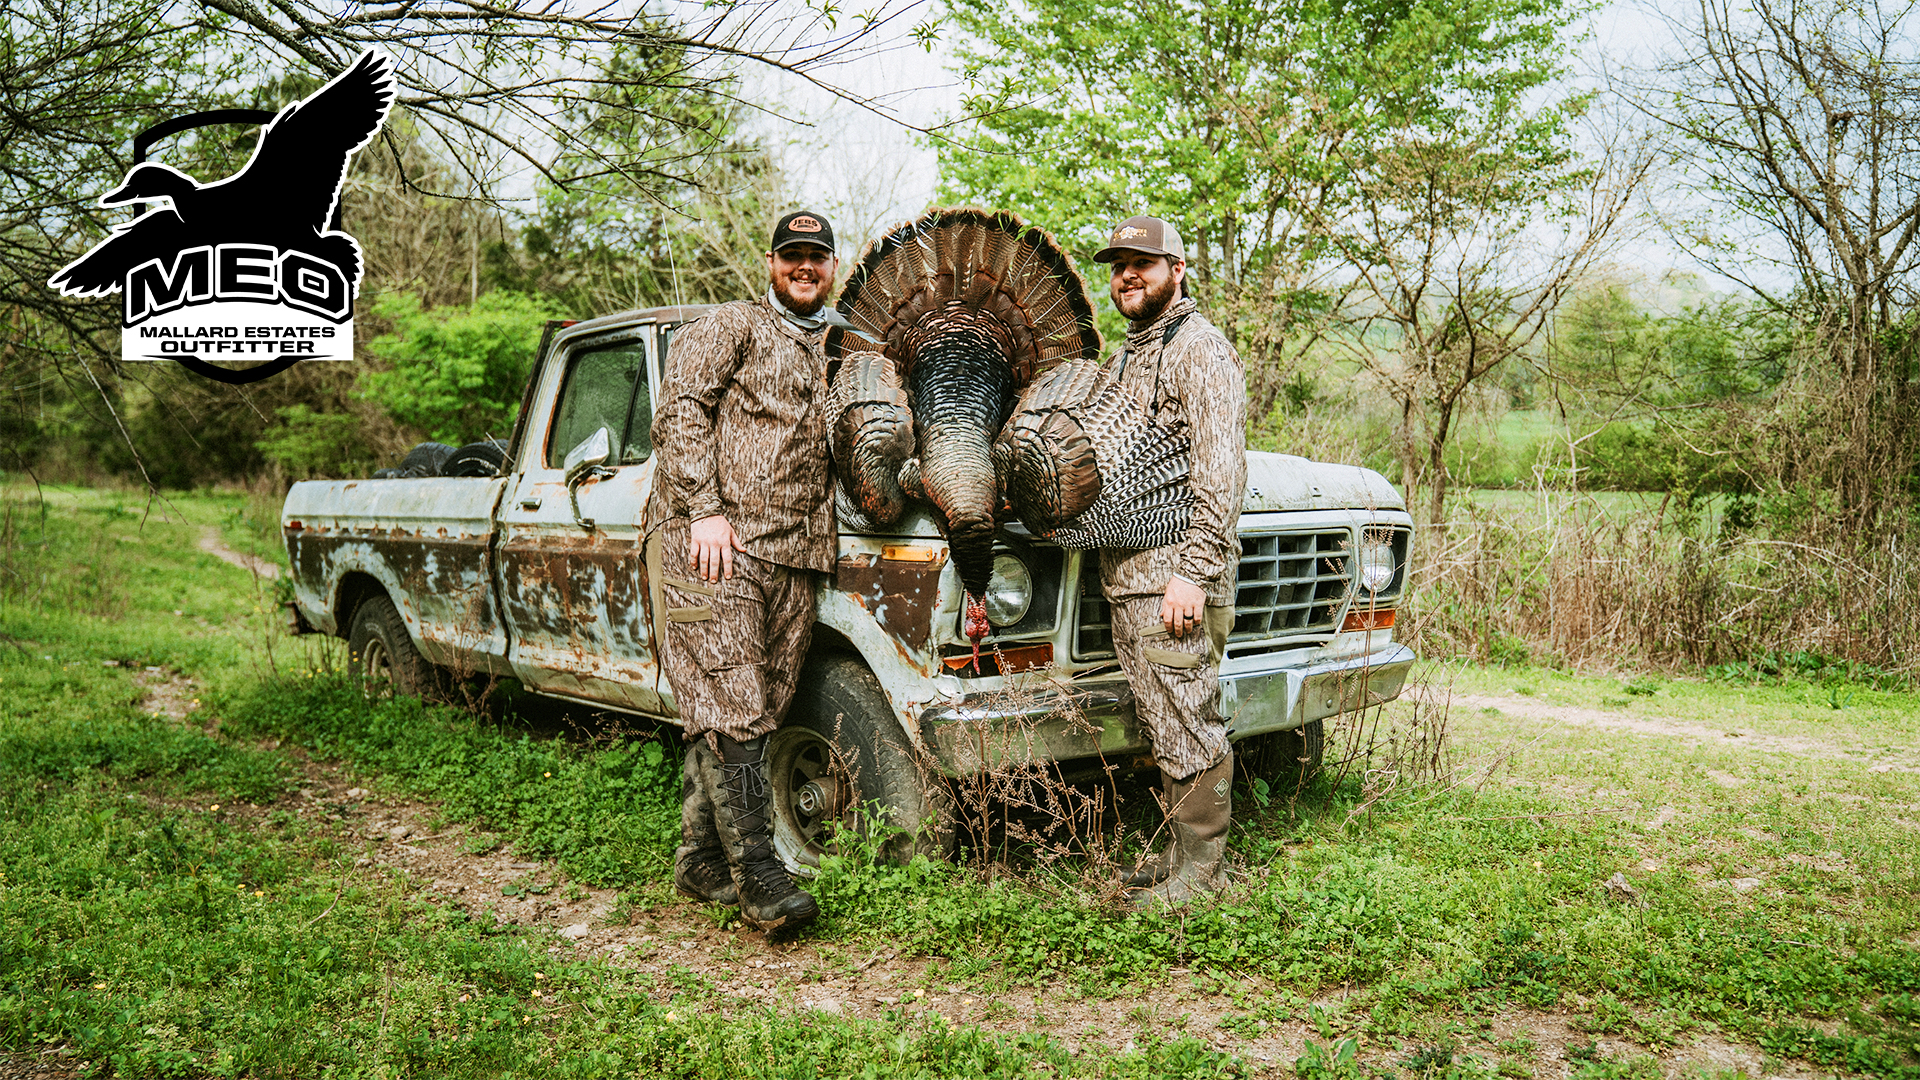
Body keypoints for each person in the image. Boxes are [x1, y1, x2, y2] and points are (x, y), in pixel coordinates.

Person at [645, 210, 840, 933]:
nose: (803, 267)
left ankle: (699, 859)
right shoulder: (730, 325)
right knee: (733, 704)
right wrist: (703, 510)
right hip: (712, 547)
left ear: (832, 266)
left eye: (815, 257)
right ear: (770, 262)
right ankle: (760, 875)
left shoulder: (840, 347)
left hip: (794, 554)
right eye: (792, 256)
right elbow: (680, 412)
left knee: (754, 707)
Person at [1091, 214, 1248, 907]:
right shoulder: (1127, 354)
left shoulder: (1200, 349)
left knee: (1190, 714)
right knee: (1162, 718)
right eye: (1119, 265)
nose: (1128, 275)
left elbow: (1221, 470)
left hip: (1175, 579)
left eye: (1143, 264)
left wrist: (1193, 571)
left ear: (1176, 270)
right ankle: (1178, 857)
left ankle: (1204, 876)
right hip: (1130, 581)